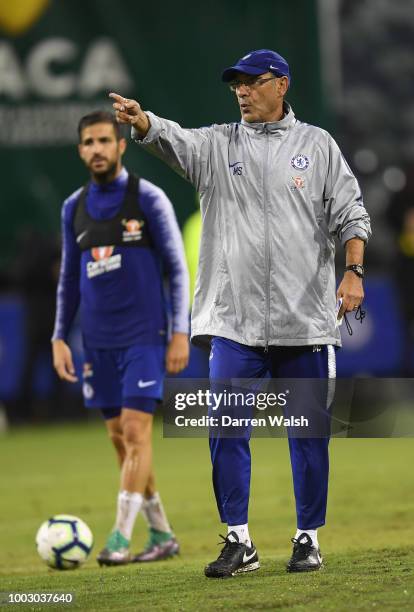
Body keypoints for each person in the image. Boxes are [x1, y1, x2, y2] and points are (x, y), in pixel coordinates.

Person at [110, 48, 371, 578]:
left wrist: (353, 271)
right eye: (237, 84)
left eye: (252, 82)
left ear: (282, 84)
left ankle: (307, 538)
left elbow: (352, 214)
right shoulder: (217, 145)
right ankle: (238, 541)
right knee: (226, 431)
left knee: (309, 436)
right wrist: (145, 123)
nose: (242, 91)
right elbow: (174, 139)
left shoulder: (317, 146)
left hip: (305, 324)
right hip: (234, 324)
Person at [52, 110, 190, 566]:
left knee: (135, 431)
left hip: (145, 338)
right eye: (88, 142)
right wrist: (59, 337)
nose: (96, 149)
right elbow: (69, 281)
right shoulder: (73, 207)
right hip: (98, 343)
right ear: (80, 150)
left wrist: (179, 333)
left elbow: (176, 269)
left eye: (104, 141)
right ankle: (163, 534)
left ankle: (119, 536)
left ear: (121, 146)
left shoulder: (148, 199)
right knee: (120, 438)